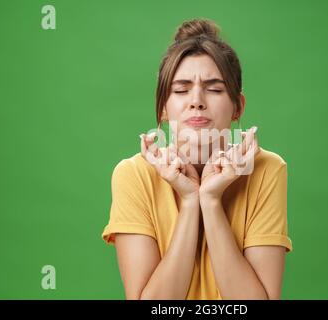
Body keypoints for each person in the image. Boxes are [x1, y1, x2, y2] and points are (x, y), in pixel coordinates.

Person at [102, 18, 293, 300]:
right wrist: (190, 201)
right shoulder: (133, 175)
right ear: (163, 108)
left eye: (214, 89)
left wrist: (211, 201)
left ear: (237, 107)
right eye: (180, 90)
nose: (197, 101)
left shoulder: (267, 169)